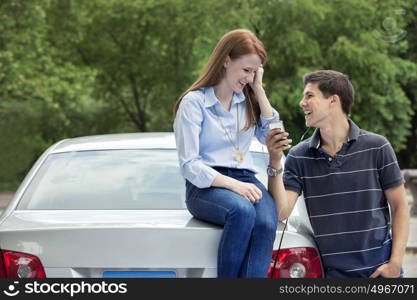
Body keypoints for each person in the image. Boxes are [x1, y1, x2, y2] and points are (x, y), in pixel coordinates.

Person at [266, 70, 410, 278]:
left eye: (309, 96)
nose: (301, 102)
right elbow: (281, 212)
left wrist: (395, 263)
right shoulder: (299, 157)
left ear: (333, 100)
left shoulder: (377, 147)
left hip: (381, 273)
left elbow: (400, 207)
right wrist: (274, 160)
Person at [173, 29, 279, 278]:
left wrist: (260, 91)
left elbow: (273, 138)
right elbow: (189, 164)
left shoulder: (249, 101)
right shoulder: (194, 103)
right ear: (225, 60)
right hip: (207, 186)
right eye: (246, 70)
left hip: (246, 180)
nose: (249, 77)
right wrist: (234, 186)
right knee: (241, 211)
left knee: (266, 220)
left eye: (255, 72)